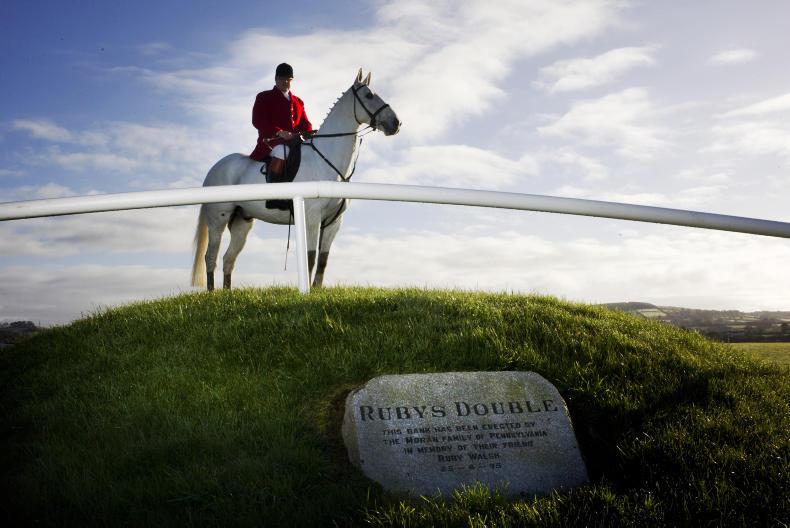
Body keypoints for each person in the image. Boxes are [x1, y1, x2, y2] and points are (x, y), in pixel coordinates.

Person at [249, 62, 314, 180]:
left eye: (289, 79)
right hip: (271, 143)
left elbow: (305, 124)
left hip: (294, 143)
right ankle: (273, 189)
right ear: (276, 79)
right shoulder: (264, 97)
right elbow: (257, 120)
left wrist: (311, 133)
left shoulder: (298, 102)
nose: (286, 82)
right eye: (282, 79)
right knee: (282, 151)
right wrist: (279, 132)